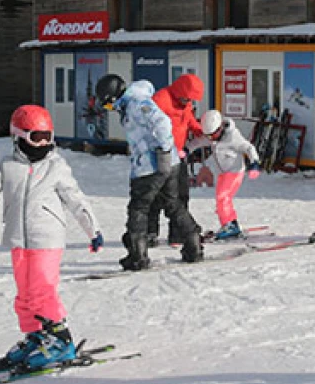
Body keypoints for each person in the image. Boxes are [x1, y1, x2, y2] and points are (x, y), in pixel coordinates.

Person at [0, 105, 103, 371]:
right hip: (18, 239)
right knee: (25, 295)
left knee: (42, 290)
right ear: (18, 136)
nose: (42, 144)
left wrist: (92, 229)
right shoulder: (8, 166)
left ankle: (61, 340)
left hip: (47, 238)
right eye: (36, 138)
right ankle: (37, 336)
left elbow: (76, 200)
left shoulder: (56, 167)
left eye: (47, 137)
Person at [94, 74, 203, 270]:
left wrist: (163, 150)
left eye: (109, 105)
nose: (110, 109)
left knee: (139, 208)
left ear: (114, 97)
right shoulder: (133, 102)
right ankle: (193, 245)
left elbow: (162, 122)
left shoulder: (136, 104)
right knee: (172, 204)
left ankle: (138, 256)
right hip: (167, 163)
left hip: (150, 166)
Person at [147, 73, 205, 245]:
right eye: (187, 98)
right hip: (159, 156)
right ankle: (150, 233)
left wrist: (202, 131)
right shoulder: (160, 100)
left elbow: (189, 121)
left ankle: (177, 234)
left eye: (191, 100)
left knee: (181, 196)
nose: (189, 102)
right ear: (180, 91)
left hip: (178, 156)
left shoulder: (185, 103)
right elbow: (148, 125)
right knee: (156, 195)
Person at [189, 110, 261, 240]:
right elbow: (198, 142)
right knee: (221, 199)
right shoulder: (211, 136)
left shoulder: (233, 137)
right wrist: (186, 150)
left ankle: (229, 226)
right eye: (208, 136)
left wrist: (254, 163)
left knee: (223, 197)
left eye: (213, 135)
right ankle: (230, 223)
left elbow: (248, 148)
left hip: (234, 171)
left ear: (220, 127)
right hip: (222, 172)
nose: (211, 138)